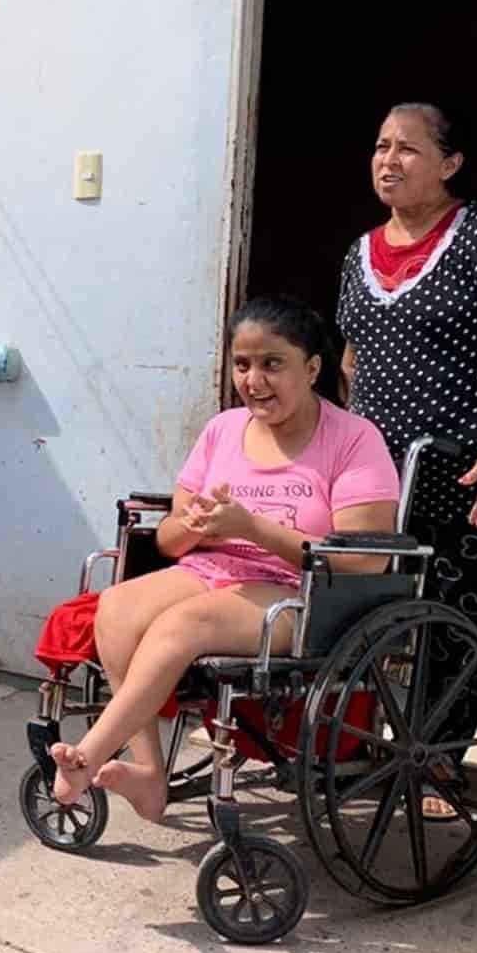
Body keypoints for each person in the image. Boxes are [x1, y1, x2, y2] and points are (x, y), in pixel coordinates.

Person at [49, 295, 400, 816]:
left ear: (312, 368)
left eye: (271, 364)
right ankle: (148, 773)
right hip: (213, 569)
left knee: (182, 624)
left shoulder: (353, 439)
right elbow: (168, 541)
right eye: (243, 364)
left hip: (300, 594)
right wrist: (195, 528)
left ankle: (90, 753)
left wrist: (253, 527)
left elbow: (365, 560)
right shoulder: (222, 430)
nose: (253, 380)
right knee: (117, 607)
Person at [336, 102, 477, 815]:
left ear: (450, 164)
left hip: (466, 470)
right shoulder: (360, 253)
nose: (388, 160)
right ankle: (369, 743)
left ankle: (438, 765)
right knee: (370, 611)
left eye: (409, 150)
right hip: (380, 480)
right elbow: (351, 364)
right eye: (381, 146)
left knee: (457, 618)